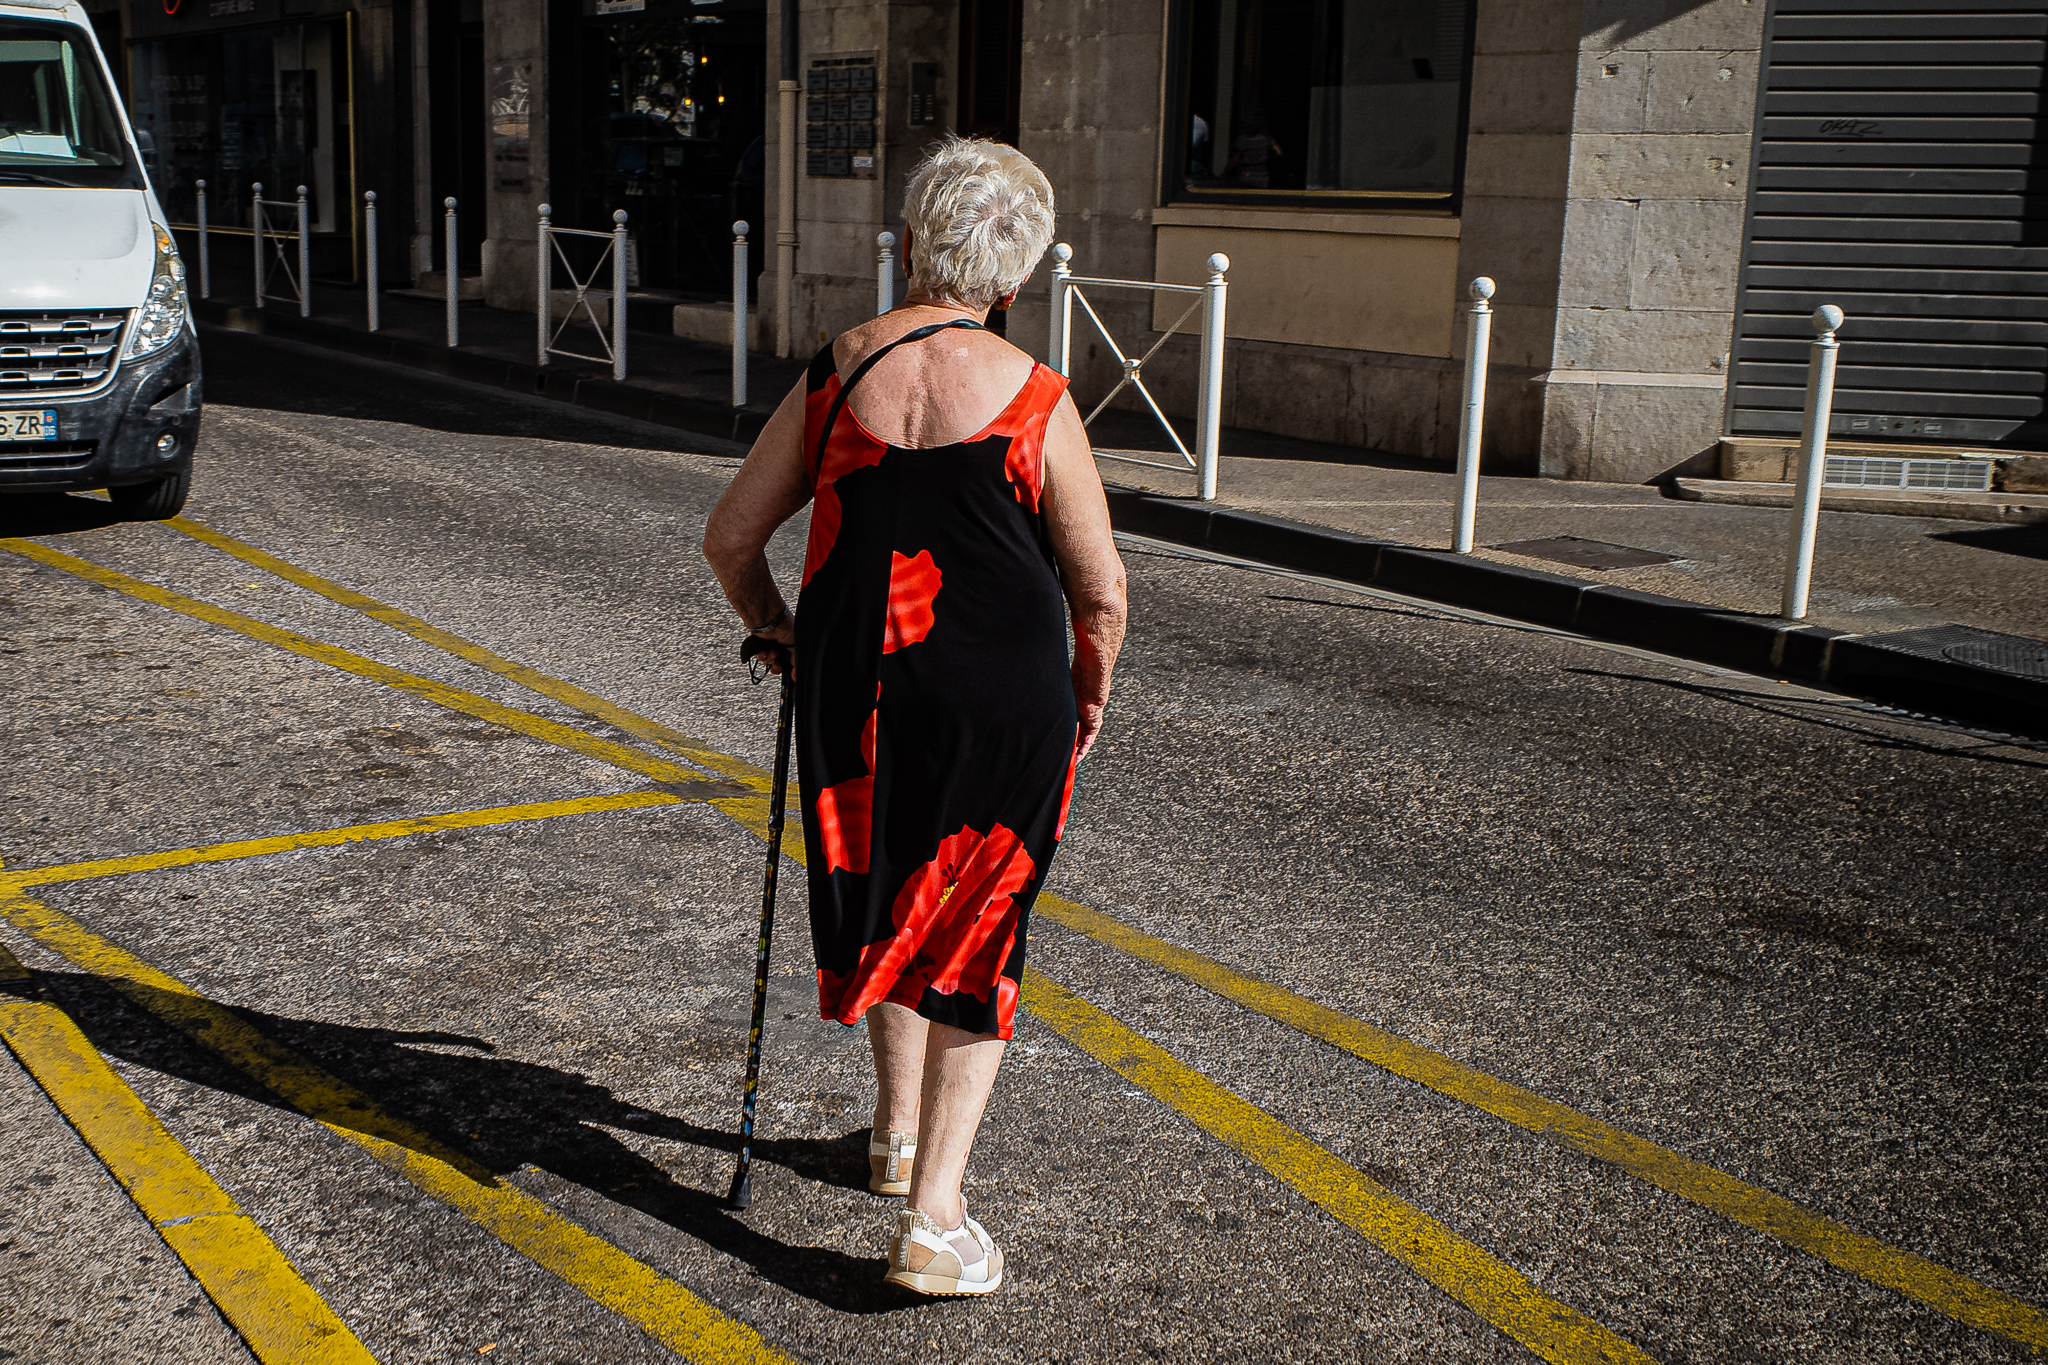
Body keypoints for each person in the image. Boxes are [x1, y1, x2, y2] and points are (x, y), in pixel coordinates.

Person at [702, 135, 1128, 1297]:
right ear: (1012, 277)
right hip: (1004, 705)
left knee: (889, 885)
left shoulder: (835, 374)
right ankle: (934, 1220)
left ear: (903, 245)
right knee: (975, 925)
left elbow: (731, 538)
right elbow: (1097, 590)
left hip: (860, 694)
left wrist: (775, 626)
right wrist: (1088, 691)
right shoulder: (1036, 397)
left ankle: (894, 1138)